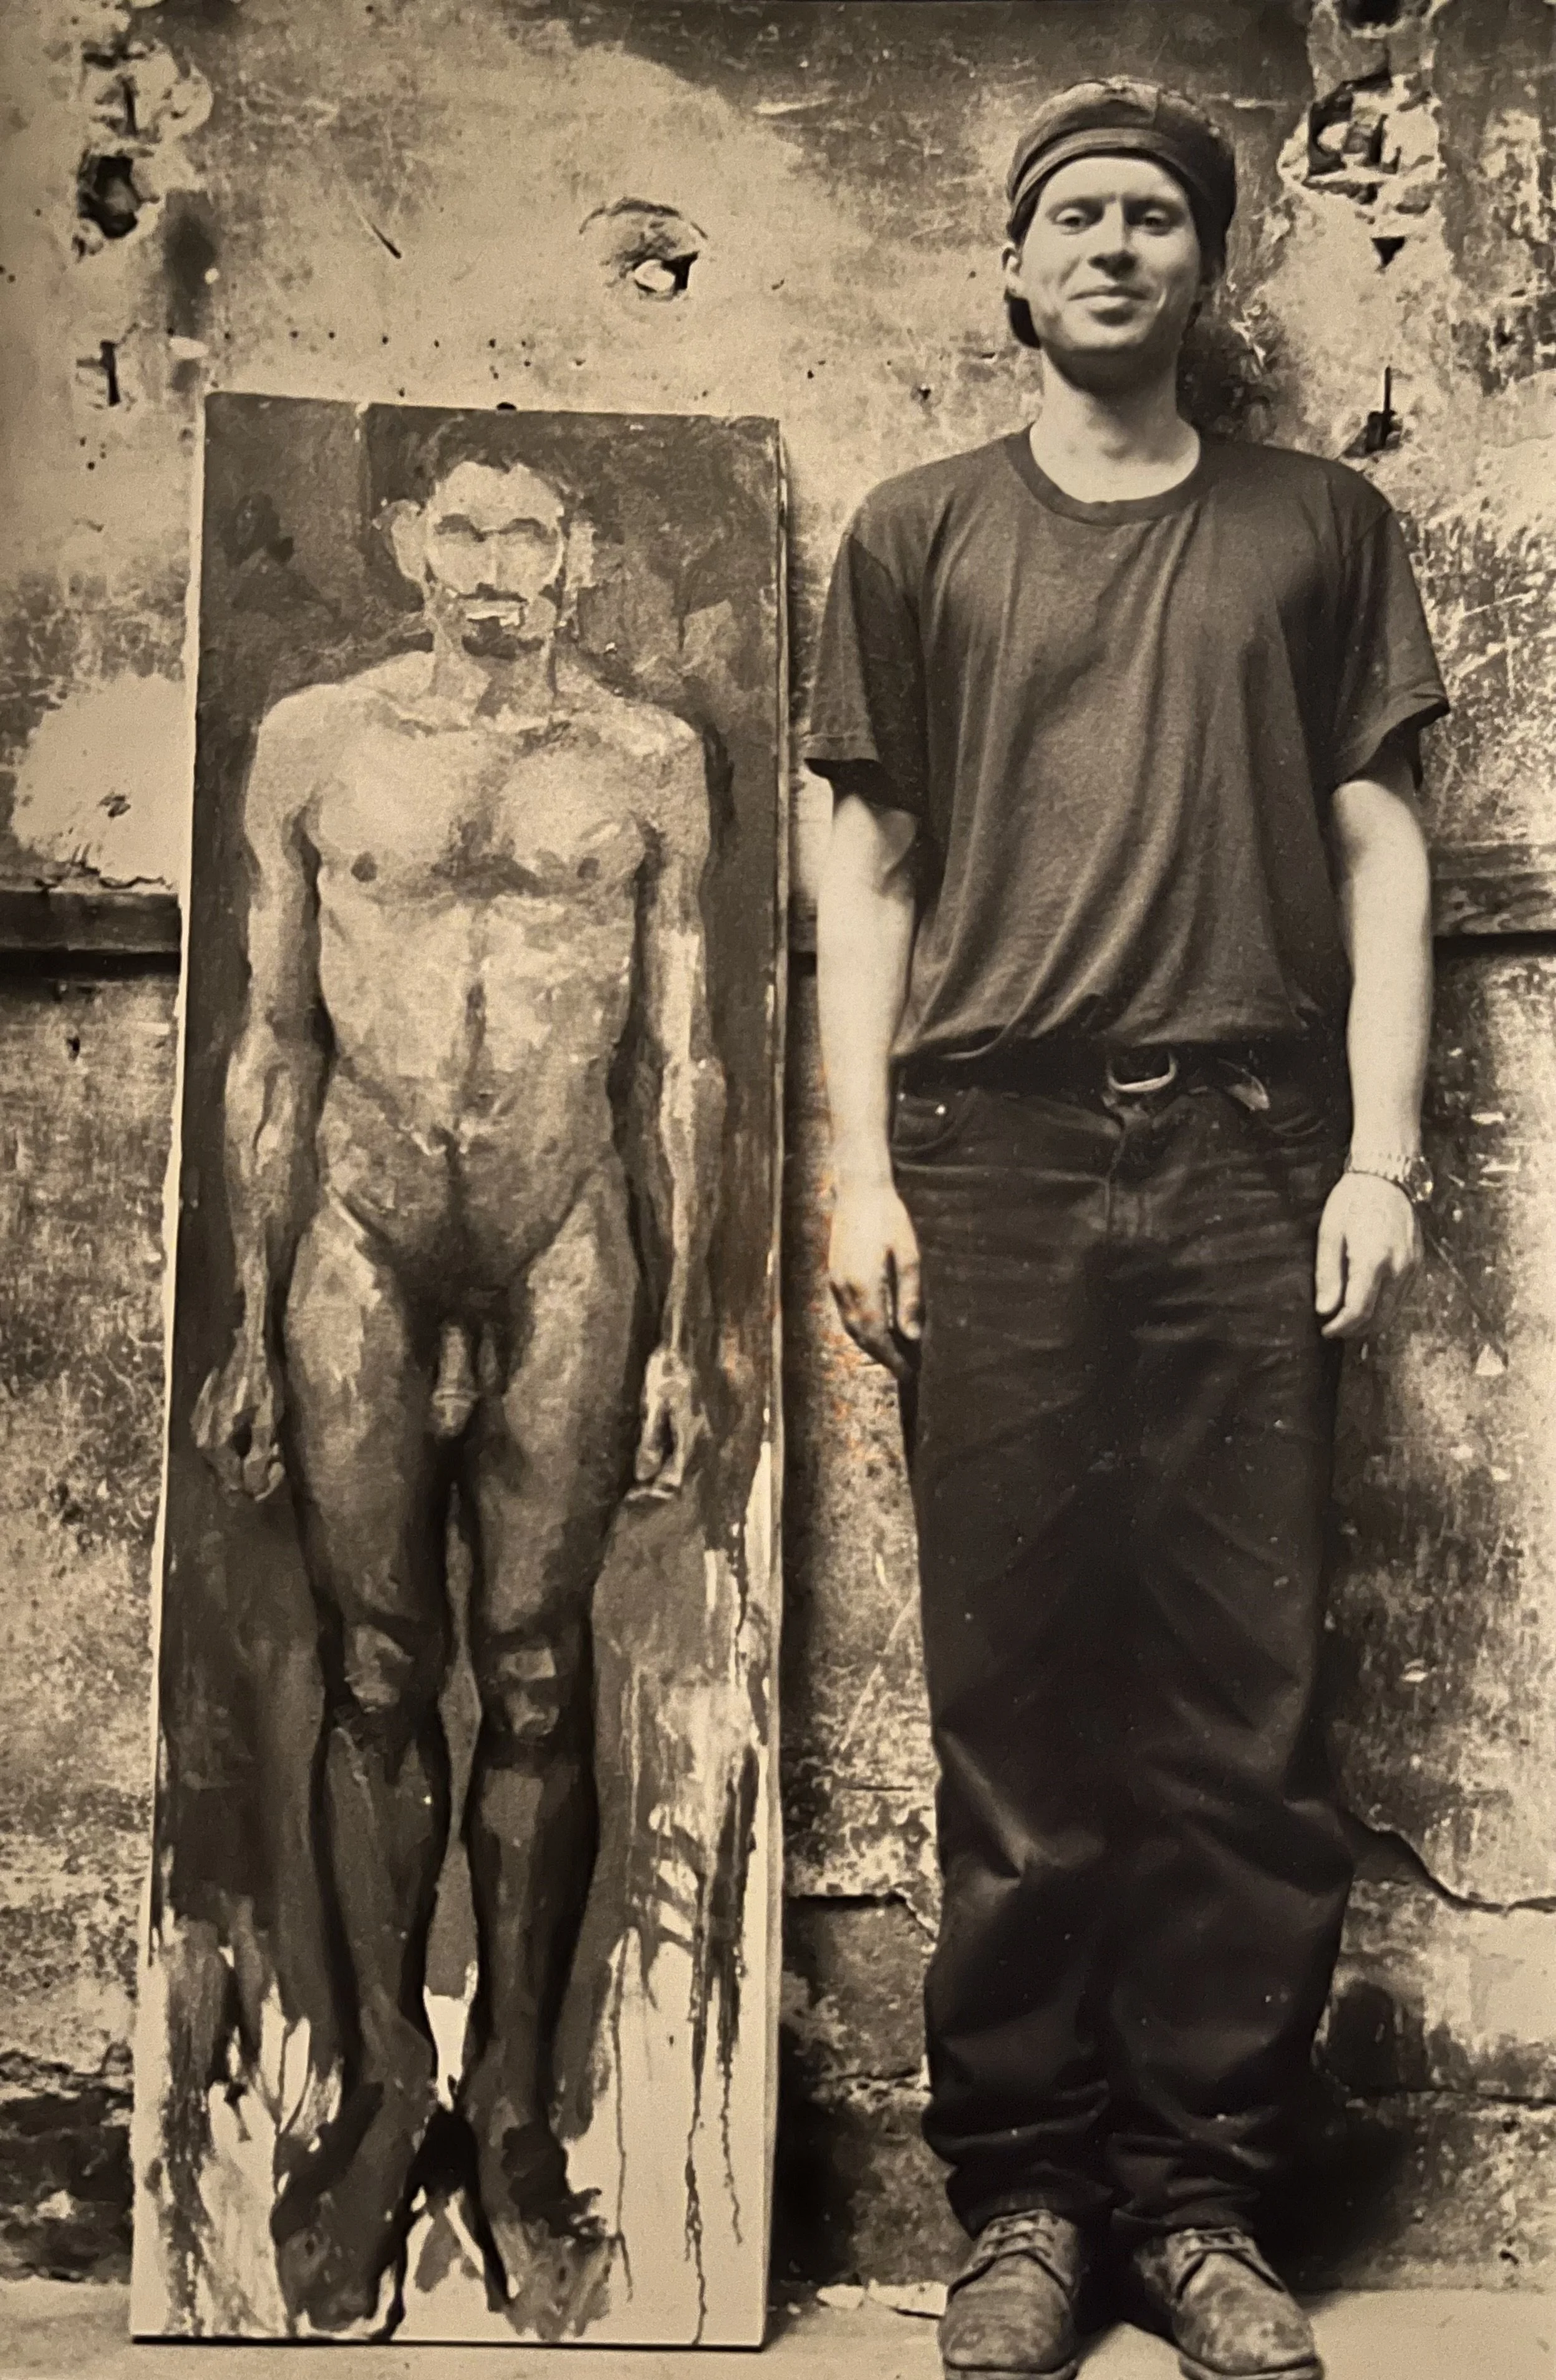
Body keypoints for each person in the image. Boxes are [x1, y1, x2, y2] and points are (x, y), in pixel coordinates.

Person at [807, 78, 1447, 2380]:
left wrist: (1377, 1158)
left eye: (1156, 218)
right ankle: (1023, 2207)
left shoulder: (1317, 525)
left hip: (1249, 1158)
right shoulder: (913, 534)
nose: (1110, 246)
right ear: (1010, 266)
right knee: (1013, 1698)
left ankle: (1199, 2207)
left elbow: (1383, 855)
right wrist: (856, 1167)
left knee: (1242, 1710)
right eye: (1071, 215)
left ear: (1207, 273)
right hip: (987, 1158)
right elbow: (858, 878)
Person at [194, 441, 723, 2331]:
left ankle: (509, 2108)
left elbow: (679, 1061)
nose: (494, 564)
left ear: (578, 559)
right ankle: (379, 2092)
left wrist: (684, 1324)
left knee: (538, 1666)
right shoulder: (316, 738)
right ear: (410, 548)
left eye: (530, 531)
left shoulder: (652, 760)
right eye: (462, 528)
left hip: (565, 1225)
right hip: (359, 1220)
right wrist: (252, 1317)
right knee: (372, 1668)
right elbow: (272, 1041)